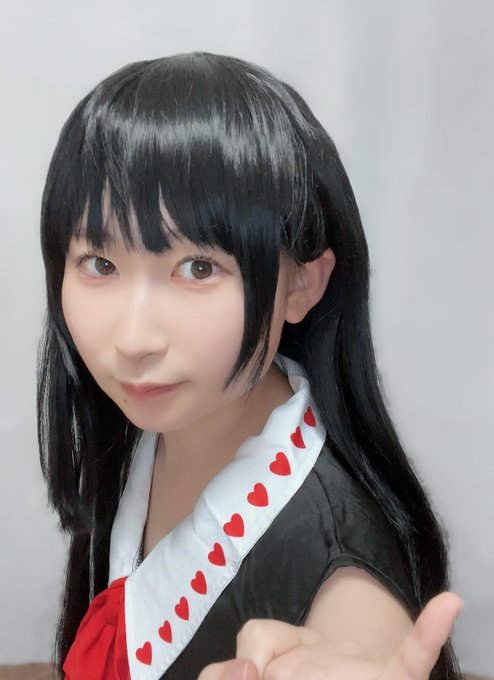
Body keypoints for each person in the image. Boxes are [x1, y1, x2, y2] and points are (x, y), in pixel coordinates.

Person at [37, 51, 463, 680]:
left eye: (198, 268)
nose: (132, 339)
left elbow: (356, 652)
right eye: (100, 264)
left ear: (301, 283)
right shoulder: (141, 426)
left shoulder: (341, 572)